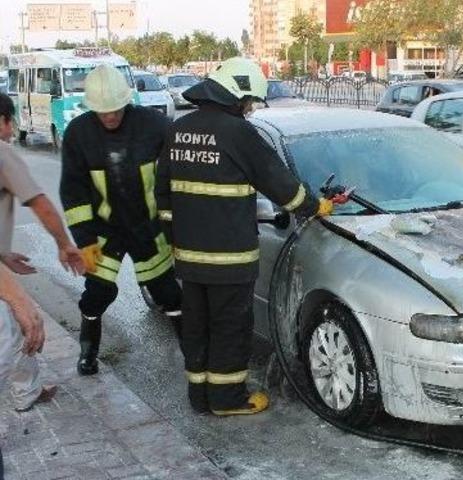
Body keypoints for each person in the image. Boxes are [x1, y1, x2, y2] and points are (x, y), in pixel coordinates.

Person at [155, 57, 333, 416]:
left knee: (198, 326)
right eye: (249, 101)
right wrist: (315, 206)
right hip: (229, 258)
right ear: (236, 95)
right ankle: (227, 399)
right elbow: (280, 184)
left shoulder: (179, 130)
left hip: (189, 258)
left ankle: (200, 395)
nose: (250, 109)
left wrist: (174, 237)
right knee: (230, 327)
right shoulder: (239, 133)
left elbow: (164, 196)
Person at [59, 64, 183, 376]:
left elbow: (178, 169)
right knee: (96, 295)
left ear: (126, 101)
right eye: (103, 111)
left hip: (148, 227)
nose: (110, 116)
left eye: (115, 109)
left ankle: (191, 351)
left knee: (168, 293)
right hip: (103, 231)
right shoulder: (78, 134)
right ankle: (88, 351)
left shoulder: (154, 125)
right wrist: (84, 241)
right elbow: (73, 192)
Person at [0, 92, 85, 412]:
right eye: (10, 124)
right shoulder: (2, 153)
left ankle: (26, 392)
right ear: (4, 120)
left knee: (20, 327)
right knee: (12, 333)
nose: (11, 133)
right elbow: (40, 204)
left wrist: (4, 257)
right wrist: (64, 244)